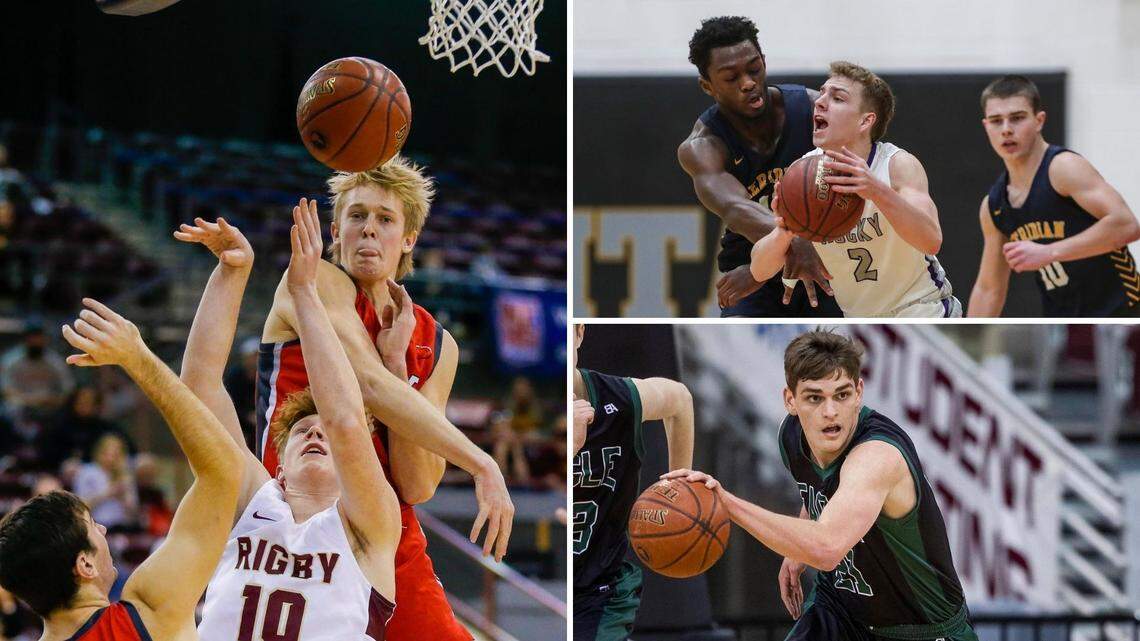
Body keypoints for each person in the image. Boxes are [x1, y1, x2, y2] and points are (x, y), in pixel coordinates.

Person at [258, 158, 513, 641]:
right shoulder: (313, 283)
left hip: (382, 525)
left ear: (409, 238)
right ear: (335, 230)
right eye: (356, 216)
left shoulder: (438, 343)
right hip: (294, 508)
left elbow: (417, 485)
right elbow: (369, 385)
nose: (368, 230)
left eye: (384, 219)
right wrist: (482, 462)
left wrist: (400, 367)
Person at [665, 329, 976, 641]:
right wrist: (797, 547)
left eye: (841, 395)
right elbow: (823, 492)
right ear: (791, 400)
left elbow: (826, 547)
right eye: (815, 397)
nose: (830, 412)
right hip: (841, 610)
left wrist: (726, 503)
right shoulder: (792, 437)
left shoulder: (877, 457)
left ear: (859, 392)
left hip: (918, 629)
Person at [177, 210, 403, 640]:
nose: (317, 433)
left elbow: (345, 422)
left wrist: (304, 293)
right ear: (278, 467)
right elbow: (199, 388)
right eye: (302, 432)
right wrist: (231, 271)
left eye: (324, 434)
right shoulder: (251, 504)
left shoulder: (371, 525)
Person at [0, 297, 245, 640]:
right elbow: (223, 469)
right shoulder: (147, 615)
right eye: (91, 526)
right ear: (84, 565)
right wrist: (137, 359)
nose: (101, 527)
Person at [749, 62, 960, 318]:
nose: (820, 102)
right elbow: (759, 270)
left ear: (865, 121)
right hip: (861, 322)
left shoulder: (896, 165)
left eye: (837, 98)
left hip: (921, 307)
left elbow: (931, 240)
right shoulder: (802, 171)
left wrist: (876, 191)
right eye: (822, 93)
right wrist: (784, 232)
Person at [678, 16, 840, 317]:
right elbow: (736, 208)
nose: (748, 83)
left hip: (826, 257)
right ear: (707, 85)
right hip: (753, 261)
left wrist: (796, 246)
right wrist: (767, 263)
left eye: (754, 68)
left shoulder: (812, 110)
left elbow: (864, 180)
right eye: (731, 77)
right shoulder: (703, 146)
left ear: (764, 61)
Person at [967, 75, 1140, 317]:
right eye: (997, 121)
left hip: (1124, 312)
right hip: (1064, 318)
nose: (1006, 129)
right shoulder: (994, 205)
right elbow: (988, 290)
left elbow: (1127, 224)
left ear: (1039, 121)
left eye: (1017, 118)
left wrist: (1049, 252)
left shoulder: (1063, 168)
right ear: (986, 126)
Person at [572, 324, 696, 641]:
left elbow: (680, 400)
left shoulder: (619, 398)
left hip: (600, 591)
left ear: (580, 334)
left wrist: (678, 488)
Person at [72, 433, 138, 533]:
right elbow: (80, 506)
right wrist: (108, 493)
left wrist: (123, 497)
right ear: (98, 452)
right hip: (96, 526)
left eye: (116, 455)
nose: (110, 459)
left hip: (122, 527)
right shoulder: (87, 472)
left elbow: (133, 512)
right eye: (107, 454)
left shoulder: (125, 475)